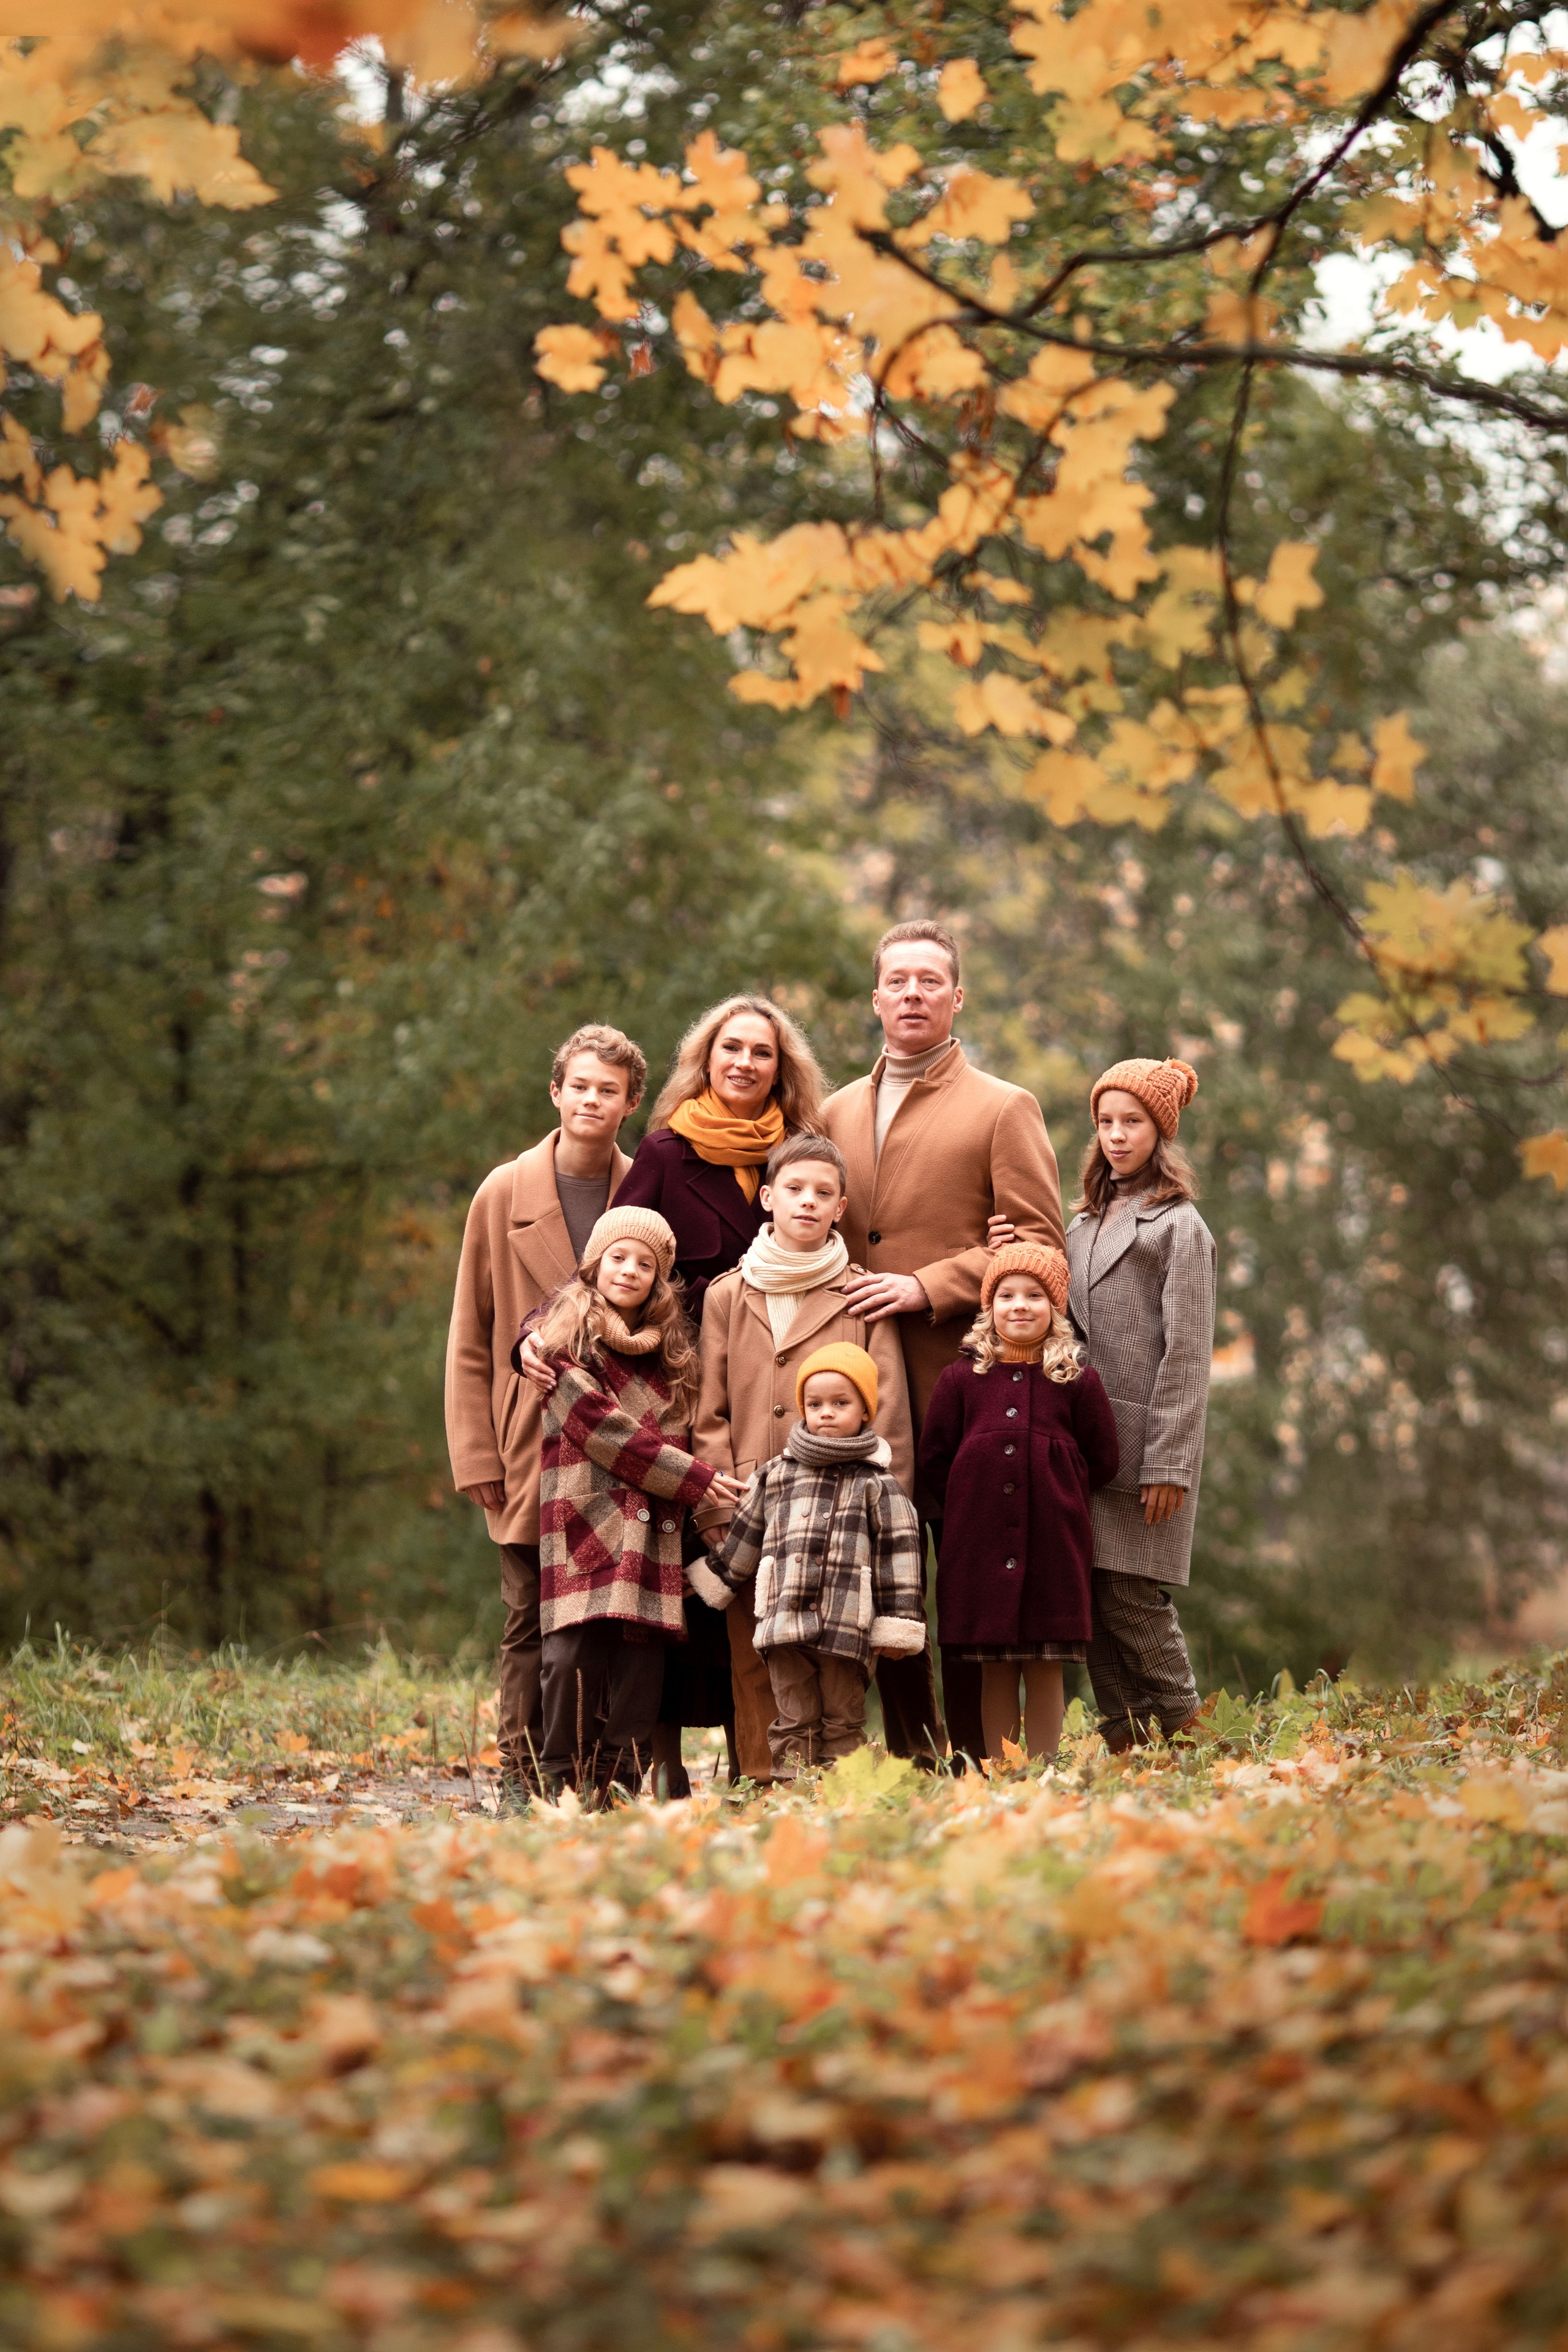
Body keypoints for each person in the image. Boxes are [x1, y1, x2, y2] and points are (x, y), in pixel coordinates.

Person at [518, 993, 827, 1793]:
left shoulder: (800, 1158)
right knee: (664, 1602)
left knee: (746, 1593)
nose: (745, 1064)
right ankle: (645, 1771)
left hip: (778, 1383)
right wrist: (534, 1332)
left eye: (762, 1052)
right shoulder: (666, 1150)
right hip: (677, 1395)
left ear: (780, 1067)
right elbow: (605, 1263)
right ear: (707, 1058)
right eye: (732, 1048)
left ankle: (757, 1767)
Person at [821, 919, 1065, 1765]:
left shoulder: (1004, 1107)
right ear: (876, 998)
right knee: (883, 1574)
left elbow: (1039, 1247)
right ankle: (911, 1751)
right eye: (899, 980)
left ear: (958, 998)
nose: (914, 993)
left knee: (959, 1575)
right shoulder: (834, 1111)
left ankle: (973, 1755)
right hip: (861, 1386)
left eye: (932, 980)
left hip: (967, 1378)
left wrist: (930, 1284)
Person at [445, 1023, 646, 1792]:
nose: (592, 1101)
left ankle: (602, 1775)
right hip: (527, 1439)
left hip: (618, 1441)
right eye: (580, 1086)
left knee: (607, 1618)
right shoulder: (502, 1192)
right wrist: (475, 1453)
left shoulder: (641, 1189)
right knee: (527, 1617)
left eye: (609, 1090)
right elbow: (471, 1329)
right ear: (556, 1092)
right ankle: (521, 1779)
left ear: (630, 1104)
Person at [691, 1133, 916, 1780]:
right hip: (752, 1506)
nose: (808, 1203)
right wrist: (717, 1500)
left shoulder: (861, 1297)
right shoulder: (728, 1295)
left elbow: (889, 1410)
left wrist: (883, 1512)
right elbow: (708, 1409)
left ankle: (837, 1786)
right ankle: (764, 1782)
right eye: (794, 1190)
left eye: (823, 1193)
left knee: (838, 1658)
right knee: (755, 1650)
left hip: (841, 1514)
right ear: (767, 1198)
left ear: (841, 1206)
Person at [534, 1206, 745, 1801]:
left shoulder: (673, 1356)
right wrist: (697, 1478)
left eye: (644, 1264)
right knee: (571, 1661)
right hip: (585, 1523)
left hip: (654, 1531)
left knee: (640, 1670)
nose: (629, 1271)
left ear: (659, 1279)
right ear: (594, 1264)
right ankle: (561, 1786)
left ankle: (618, 1786)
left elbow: (684, 1426)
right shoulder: (563, 1344)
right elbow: (602, 1429)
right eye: (618, 1258)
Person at [1064, 1057, 1215, 1752]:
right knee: (1089, 1599)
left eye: (1133, 1123)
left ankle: (1192, 1732)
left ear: (1160, 1131)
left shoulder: (1180, 1227)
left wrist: (1170, 1465)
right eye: (1106, 1122)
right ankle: (1127, 1743)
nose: (1117, 1136)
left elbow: (1188, 1354)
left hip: (1144, 1447)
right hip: (1083, 1445)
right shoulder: (1084, 1222)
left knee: (1132, 1595)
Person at [918, 1245, 1118, 1766]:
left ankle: (1047, 1770)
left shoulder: (1076, 1380)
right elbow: (935, 1459)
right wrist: (968, 1505)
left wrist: (1061, 1493)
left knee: (1045, 1664)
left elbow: (1104, 1460)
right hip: (978, 1550)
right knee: (996, 1666)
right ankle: (1004, 1772)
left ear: (1056, 1308)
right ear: (989, 1307)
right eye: (1006, 1295)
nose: (1020, 1306)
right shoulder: (960, 1380)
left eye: (1035, 1296)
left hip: (1055, 1545)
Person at [692, 1343, 926, 1777]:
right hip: (784, 1625)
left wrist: (898, 1621)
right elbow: (745, 1537)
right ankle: (794, 1795)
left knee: (842, 1717)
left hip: (845, 1627)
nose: (827, 1414)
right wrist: (716, 1578)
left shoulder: (878, 1483)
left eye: (841, 1403)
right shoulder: (775, 1475)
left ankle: (842, 1795)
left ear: (865, 1412)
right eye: (815, 1404)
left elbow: (901, 1553)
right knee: (794, 1718)